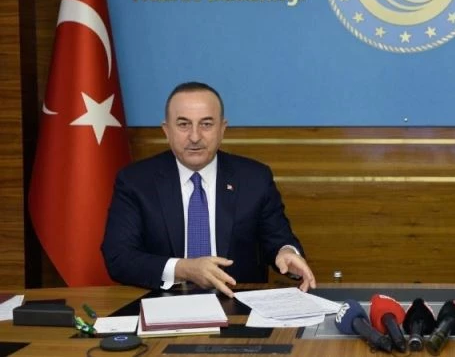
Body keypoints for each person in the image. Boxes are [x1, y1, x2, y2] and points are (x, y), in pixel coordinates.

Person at [101, 81, 316, 297]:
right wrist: (183, 269)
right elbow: (118, 257)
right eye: (183, 124)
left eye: (206, 124)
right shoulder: (136, 181)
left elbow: (279, 240)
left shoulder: (254, 178)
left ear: (222, 129)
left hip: (237, 302)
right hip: (163, 302)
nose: (195, 137)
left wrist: (287, 253)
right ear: (166, 131)